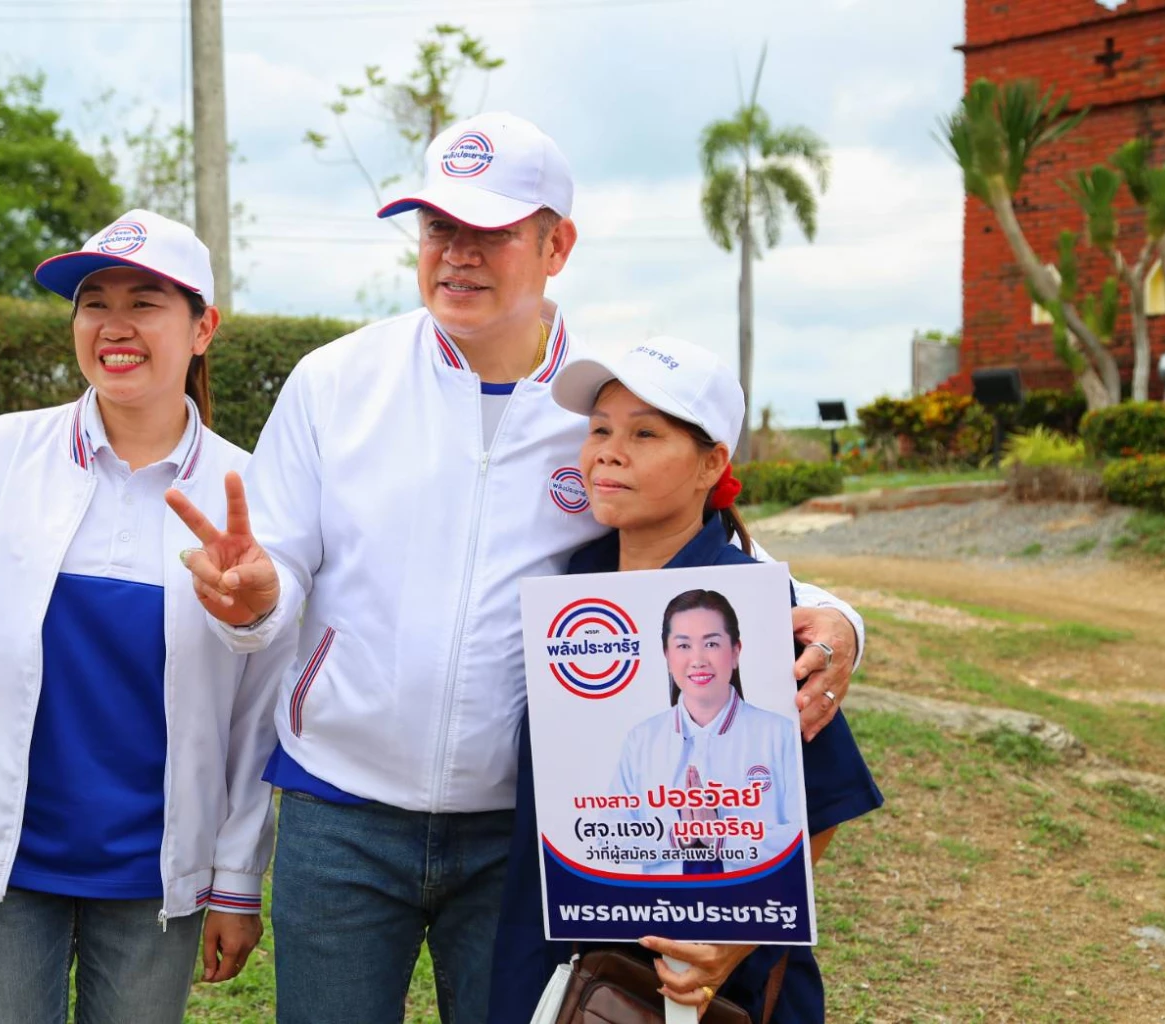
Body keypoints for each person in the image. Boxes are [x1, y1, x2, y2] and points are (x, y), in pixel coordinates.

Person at [165, 113, 866, 1024]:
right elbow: (272, 574)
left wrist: (842, 620)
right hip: (339, 813)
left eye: (488, 232)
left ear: (555, 245)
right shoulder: (336, 381)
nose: (455, 254)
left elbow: (719, 559)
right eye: (437, 229)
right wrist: (258, 600)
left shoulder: (609, 400)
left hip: (522, 835)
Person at [0, 210, 291, 1024]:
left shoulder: (246, 497)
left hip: (154, 875)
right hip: (5, 859)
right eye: (93, 302)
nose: (113, 326)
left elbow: (255, 715)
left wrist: (234, 883)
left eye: (145, 302)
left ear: (203, 329)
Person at [489, 337, 883, 1023]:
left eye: (645, 433)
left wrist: (734, 939)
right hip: (558, 963)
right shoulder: (573, 584)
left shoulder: (747, 602)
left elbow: (821, 803)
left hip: (702, 983)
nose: (608, 451)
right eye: (600, 430)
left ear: (712, 464)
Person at [609, 589, 804, 874]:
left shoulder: (779, 734)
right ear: (666, 655)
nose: (698, 659)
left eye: (711, 644)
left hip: (756, 905)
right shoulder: (642, 739)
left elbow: (799, 836)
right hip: (661, 909)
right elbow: (609, 837)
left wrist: (721, 839)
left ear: (736, 652)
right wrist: (676, 838)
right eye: (683, 646)